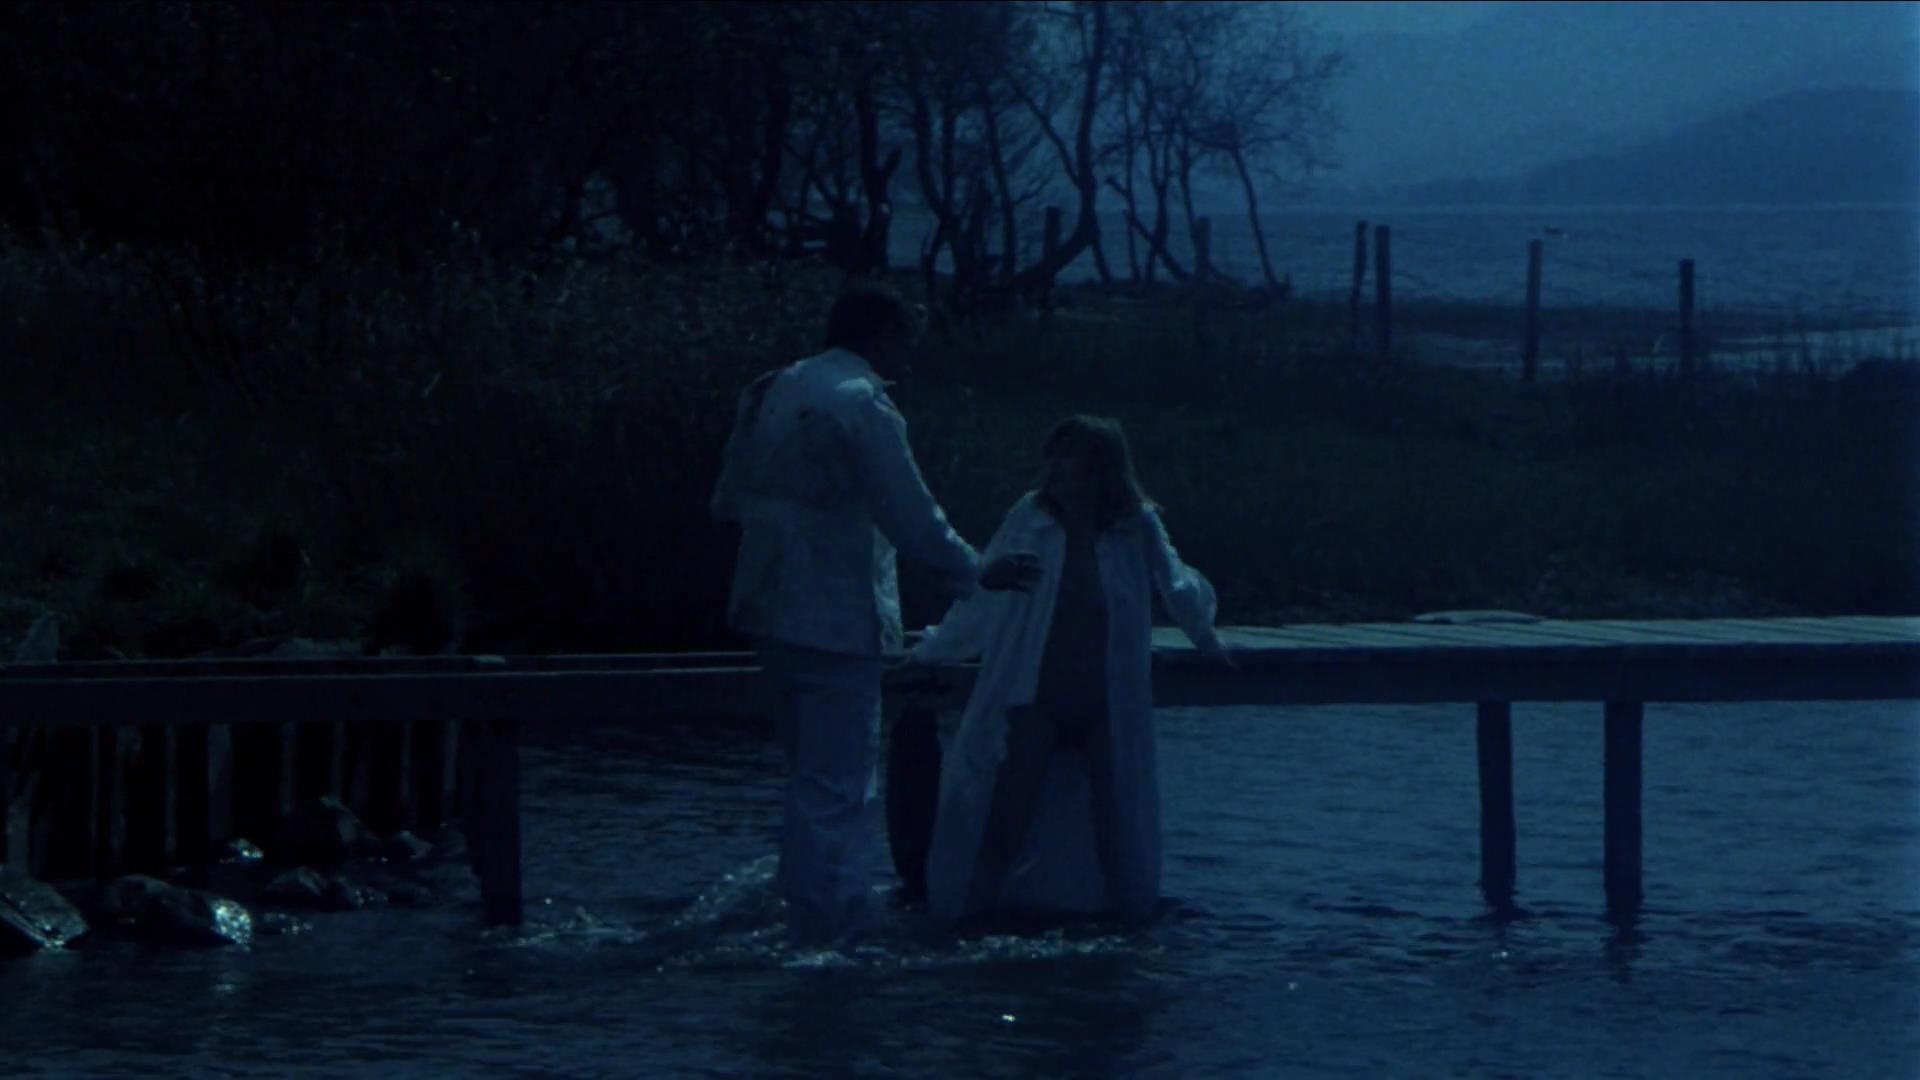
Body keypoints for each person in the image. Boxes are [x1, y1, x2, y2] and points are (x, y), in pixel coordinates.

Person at [709, 282, 1040, 947]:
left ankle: (804, 905)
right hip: (834, 607)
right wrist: (977, 570)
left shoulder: (770, 389)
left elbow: (727, 498)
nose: (907, 359)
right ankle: (829, 925)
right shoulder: (863, 403)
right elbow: (910, 513)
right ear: (883, 336)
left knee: (807, 771)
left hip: (765, 599)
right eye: (904, 343)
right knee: (839, 779)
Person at [908, 414, 1228, 927]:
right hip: (1040, 695)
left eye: (1069, 457)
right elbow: (984, 595)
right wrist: (934, 651)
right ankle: (970, 911)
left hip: (1105, 701)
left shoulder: (1134, 524)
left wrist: (1207, 640)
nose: (1055, 468)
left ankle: (1128, 918)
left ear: (1100, 467)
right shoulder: (1032, 518)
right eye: (1053, 456)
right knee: (1006, 815)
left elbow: (1176, 585)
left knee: (1117, 822)